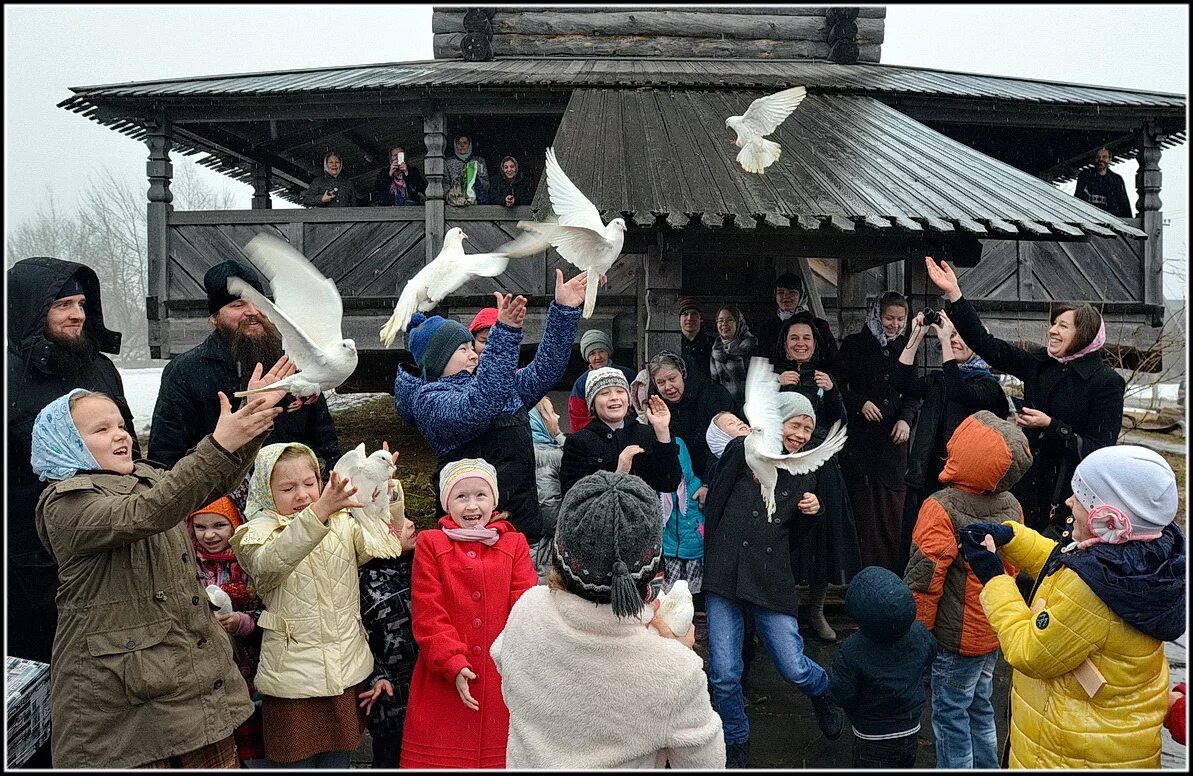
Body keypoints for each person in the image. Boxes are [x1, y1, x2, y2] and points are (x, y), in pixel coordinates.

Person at [31, 375, 284, 767]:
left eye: (120, 425)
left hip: (191, 690)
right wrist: (219, 443)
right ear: (64, 443)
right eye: (101, 429)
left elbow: (201, 484)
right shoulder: (64, 505)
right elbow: (148, 512)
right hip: (122, 712)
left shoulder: (145, 479)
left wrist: (251, 423)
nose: (121, 436)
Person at [959, 445, 1186, 769]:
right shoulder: (1138, 562)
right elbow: (1065, 561)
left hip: (1067, 755)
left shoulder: (1090, 592)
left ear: (1107, 520)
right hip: (1110, 744)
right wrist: (1011, 537)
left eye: (1079, 498)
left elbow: (1028, 651)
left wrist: (993, 577)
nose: (1069, 502)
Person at [492, 470, 725, 768]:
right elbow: (705, 764)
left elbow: (503, 663)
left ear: (562, 549)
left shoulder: (528, 612)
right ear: (651, 566)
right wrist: (679, 654)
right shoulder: (674, 671)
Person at [925, 255, 1127, 538]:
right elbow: (988, 345)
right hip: (1025, 483)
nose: (1052, 331)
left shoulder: (1106, 382)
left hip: (1068, 495)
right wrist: (955, 295)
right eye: (1053, 323)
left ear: (1084, 334)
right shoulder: (1040, 364)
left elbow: (1099, 450)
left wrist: (1051, 426)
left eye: (1063, 326)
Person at [230, 441, 404, 768]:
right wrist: (319, 513)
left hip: (343, 671)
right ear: (266, 491)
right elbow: (268, 566)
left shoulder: (341, 522)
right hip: (292, 682)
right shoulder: (256, 532)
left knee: (338, 763)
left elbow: (382, 543)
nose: (302, 495)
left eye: (310, 484)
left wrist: (384, 492)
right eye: (287, 487)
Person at [7, 257, 140, 671]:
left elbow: (129, 447)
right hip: (33, 557)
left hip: (109, 539)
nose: (77, 315)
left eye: (81, 303)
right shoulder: (8, 377)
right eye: (63, 304)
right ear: (31, 309)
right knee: (44, 665)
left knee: (113, 662)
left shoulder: (99, 369)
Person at [702, 390, 846, 767]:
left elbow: (796, 541)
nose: (800, 434)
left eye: (807, 428)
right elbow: (715, 505)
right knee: (724, 673)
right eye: (795, 424)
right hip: (727, 574)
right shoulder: (741, 450)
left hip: (771, 577)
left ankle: (824, 691)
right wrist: (714, 561)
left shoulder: (806, 469)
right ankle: (736, 740)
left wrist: (812, 514)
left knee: (794, 666)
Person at [393, 272, 588, 545]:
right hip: (470, 539)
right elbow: (480, 405)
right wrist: (505, 333)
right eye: (463, 349)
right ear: (438, 360)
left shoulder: (496, 386)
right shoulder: (429, 400)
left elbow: (546, 370)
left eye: (472, 346)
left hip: (521, 529)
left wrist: (564, 311)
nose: (473, 354)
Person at [904, 410, 1030, 769]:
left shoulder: (940, 507)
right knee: (980, 704)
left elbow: (924, 580)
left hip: (954, 639)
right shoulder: (1013, 505)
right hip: (993, 630)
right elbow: (1015, 564)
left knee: (949, 714)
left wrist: (919, 633)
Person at [400, 459, 538, 768]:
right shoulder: (431, 543)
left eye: (481, 495)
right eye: (461, 497)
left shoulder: (514, 544)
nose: (472, 505)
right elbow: (428, 611)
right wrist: (451, 661)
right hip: (442, 683)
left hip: (500, 682)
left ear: (495, 500)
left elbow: (525, 608)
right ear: (446, 502)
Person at [150, 260, 341, 483]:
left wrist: (334, 480)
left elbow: (325, 441)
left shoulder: (293, 361)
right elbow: (166, 457)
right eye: (238, 305)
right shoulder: (185, 372)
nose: (252, 312)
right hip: (219, 501)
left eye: (258, 303)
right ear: (214, 317)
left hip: (294, 497)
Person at [894, 309, 1010, 573]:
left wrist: (945, 339)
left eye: (964, 337)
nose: (956, 341)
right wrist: (917, 334)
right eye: (953, 335)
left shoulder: (988, 386)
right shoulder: (939, 380)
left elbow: (960, 392)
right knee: (913, 549)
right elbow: (900, 381)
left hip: (962, 487)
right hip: (926, 477)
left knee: (946, 552)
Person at [771, 312, 861, 641]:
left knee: (821, 538)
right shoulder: (773, 374)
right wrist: (774, 385)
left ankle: (817, 611)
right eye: (794, 338)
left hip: (821, 467)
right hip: (783, 466)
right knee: (783, 537)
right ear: (785, 343)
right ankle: (782, 611)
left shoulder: (827, 376)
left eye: (806, 338)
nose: (800, 343)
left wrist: (834, 391)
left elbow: (842, 423)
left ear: (814, 343)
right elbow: (754, 417)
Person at [837, 290, 921, 573]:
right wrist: (860, 403)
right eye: (889, 318)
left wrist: (906, 420)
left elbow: (913, 393)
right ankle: (859, 579)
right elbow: (837, 387)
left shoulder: (907, 349)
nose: (894, 325)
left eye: (900, 319)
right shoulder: (854, 345)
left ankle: (891, 578)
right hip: (861, 445)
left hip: (893, 447)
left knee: (892, 516)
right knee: (863, 516)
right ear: (877, 315)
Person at [827, 566, 937, 769]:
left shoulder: (852, 651)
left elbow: (842, 693)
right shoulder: (919, 633)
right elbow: (930, 654)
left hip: (872, 737)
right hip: (910, 729)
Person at [188, 496, 268, 767]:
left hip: (249, 667)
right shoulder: (187, 566)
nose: (209, 535)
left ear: (234, 524)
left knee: (253, 743)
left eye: (219, 525)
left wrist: (244, 622)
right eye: (200, 527)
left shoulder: (250, 563)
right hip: (205, 668)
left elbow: (270, 611)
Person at [358, 499, 420, 769]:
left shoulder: (425, 563)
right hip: (389, 694)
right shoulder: (360, 579)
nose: (410, 524)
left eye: (407, 516)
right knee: (390, 757)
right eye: (398, 520)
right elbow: (356, 636)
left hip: (426, 685)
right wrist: (375, 677)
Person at [559, 367, 681, 497]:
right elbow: (572, 496)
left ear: (628, 400)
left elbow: (669, 483)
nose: (614, 397)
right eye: (604, 393)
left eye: (620, 391)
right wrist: (618, 474)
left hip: (643, 516)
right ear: (592, 404)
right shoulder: (578, 442)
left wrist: (662, 431)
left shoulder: (645, 433)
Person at [648, 351, 736, 484]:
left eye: (672, 379)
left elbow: (724, 442)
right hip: (679, 481)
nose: (668, 387)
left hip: (715, 474)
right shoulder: (657, 405)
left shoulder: (714, 395)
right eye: (661, 382)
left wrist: (707, 483)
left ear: (683, 375)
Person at [660, 436, 708, 636]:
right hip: (669, 547)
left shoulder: (697, 486)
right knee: (670, 590)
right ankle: (670, 619)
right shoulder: (660, 488)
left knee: (695, 589)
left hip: (694, 547)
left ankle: (698, 619)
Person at [754, 272, 839, 368]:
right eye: (781, 292)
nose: (785, 296)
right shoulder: (768, 328)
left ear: (801, 295)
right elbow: (762, 362)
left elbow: (833, 360)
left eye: (792, 292)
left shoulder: (818, 325)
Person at [567, 328, 637, 432]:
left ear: (608, 352)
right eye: (592, 353)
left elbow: (639, 406)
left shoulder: (628, 375)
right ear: (587, 357)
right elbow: (578, 417)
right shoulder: (581, 384)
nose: (597, 357)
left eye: (601, 351)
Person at [528, 396, 566, 576]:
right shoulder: (545, 458)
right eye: (551, 412)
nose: (557, 416)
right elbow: (548, 507)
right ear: (539, 421)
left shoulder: (532, 451)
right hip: (545, 551)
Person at [710, 305, 758, 409]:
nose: (724, 324)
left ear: (739, 323)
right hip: (726, 408)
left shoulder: (751, 347)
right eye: (720, 320)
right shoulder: (716, 349)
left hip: (749, 408)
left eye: (729, 320)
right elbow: (714, 383)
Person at [1074, 146, 1133, 218]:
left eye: (1104, 157)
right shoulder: (1085, 177)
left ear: (1110, 159)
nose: (1100, 159)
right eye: (1098, 157)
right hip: (1089, 218)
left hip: (1111, 221)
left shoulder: (1116, 180)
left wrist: (1129, 221)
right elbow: (1077, 200)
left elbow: (1124, 203)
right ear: (1094, 159)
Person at [445, 134, 490, 205]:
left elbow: (486, 183)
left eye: (465, 143)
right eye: (459, 143)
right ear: (455, 145)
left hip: (476, 202)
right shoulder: (448, 162)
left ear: (469, 145)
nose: (462, 145)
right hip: (455, 201)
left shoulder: (479, 161)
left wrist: (473, 181)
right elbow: (446, 182)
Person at [677, 297, 715, 379]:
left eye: (694, 313)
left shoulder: (713, 344)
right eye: (685, 314)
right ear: (679, 319)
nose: (690, 318)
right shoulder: (673, 343)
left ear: (701, 318)